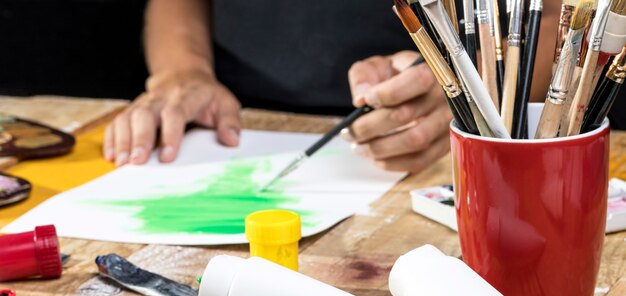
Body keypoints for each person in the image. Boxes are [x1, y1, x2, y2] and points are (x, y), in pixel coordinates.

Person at [103, 0, 568, 171]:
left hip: (426, 141)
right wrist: (182, 71)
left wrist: (471, 90)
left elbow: (551, 12)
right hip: (231, 121)